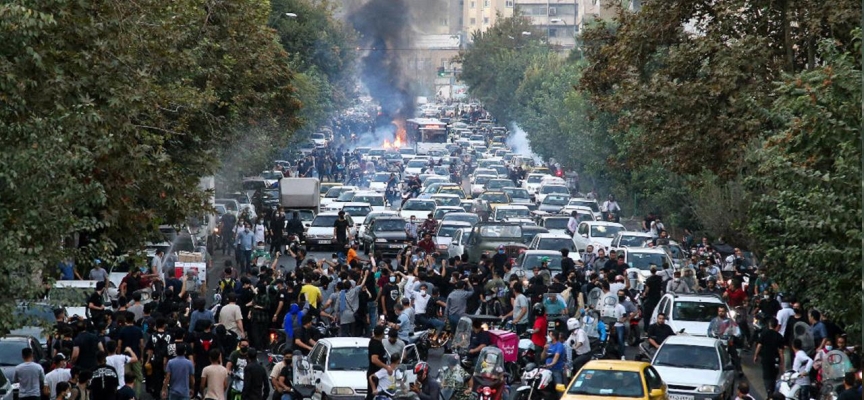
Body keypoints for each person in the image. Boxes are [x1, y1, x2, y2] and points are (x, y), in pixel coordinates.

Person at [366, 326, 390, 400]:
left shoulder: (376, 341)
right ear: (382, 334)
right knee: (373, 395)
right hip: (375, 373)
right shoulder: (375, 345)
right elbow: (374, 359)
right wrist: (386, 367)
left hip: (380, 373)